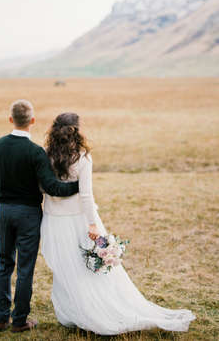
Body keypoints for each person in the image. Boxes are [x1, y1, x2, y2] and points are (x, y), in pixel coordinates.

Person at [40, 112, 196, 336]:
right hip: (78, 219)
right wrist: (93, 225)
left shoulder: (46, 155)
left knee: (66, 268)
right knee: (85, 270)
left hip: (54, 220)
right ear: (77, 130)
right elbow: (86, 195)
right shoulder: (82, 157)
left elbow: (44, 187)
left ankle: (78, 311)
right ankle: (82, 311)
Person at [0, 100, 79, 333]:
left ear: (11, 119)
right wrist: (79, 186)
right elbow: (52, 187)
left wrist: (3, 204)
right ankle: (19, 321)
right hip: (29, 214)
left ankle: (1, 319)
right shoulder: (35, 152)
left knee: (4, 264)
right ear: (32, 121)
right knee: (25, 269)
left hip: (5, 211)